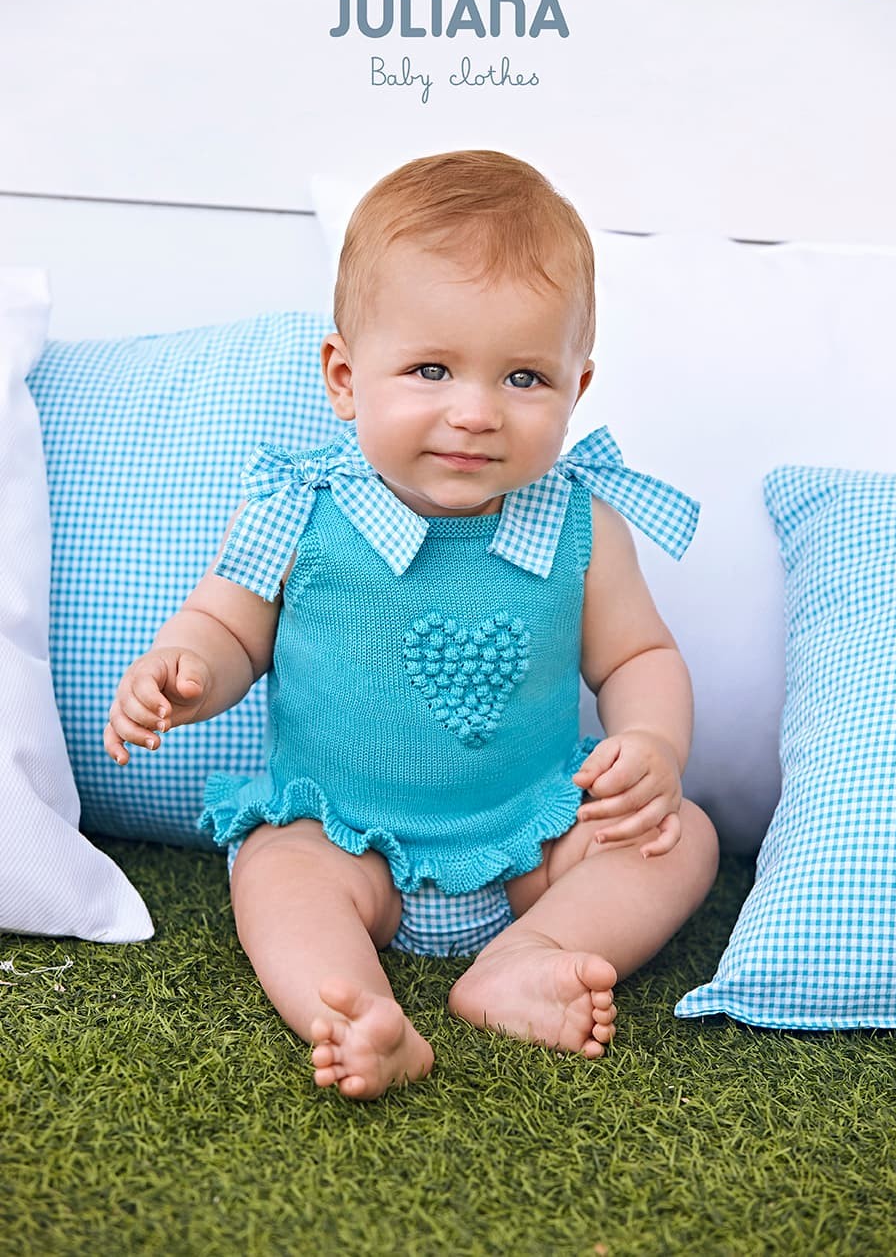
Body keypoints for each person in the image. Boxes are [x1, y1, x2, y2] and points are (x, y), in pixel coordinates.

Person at [105, 150, 719, 1100]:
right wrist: (182, 669)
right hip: (347, 838)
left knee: (680, 837)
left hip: (533, 835)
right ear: (346, 379)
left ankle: (531, 954)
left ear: (576, 388)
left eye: (523, 377)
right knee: (275, 870)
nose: (474, 413)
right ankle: (351, 1006)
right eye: (430, 369)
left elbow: (639, 654)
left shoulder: (581, 524)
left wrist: (650, 740)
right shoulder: (297, 511)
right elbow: (227, 630)